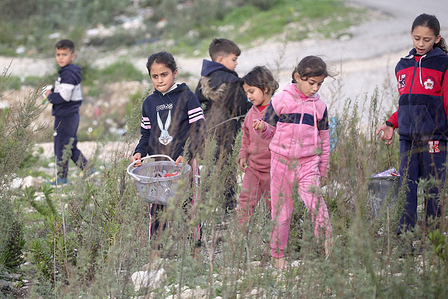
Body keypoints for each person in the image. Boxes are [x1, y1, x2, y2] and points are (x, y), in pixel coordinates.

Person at [254, 56, 333, 269]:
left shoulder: (320, 107)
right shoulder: (281, 100)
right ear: (298, 77)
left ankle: (329, 250)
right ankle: (277, 256)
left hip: (309, 163)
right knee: (281, 211)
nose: (315, 88)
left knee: (316, 205)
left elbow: (325, 140)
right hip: (281, 162)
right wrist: (263, 129)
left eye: (319, 84)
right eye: (311, 83)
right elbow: (270, 130)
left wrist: (323, 168)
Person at [376, 13, 448, 238]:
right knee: (407, 187)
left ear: (436, 39)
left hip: (434, 137)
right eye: (417, 38)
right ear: (411, 35)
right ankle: (405, 237)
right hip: (407, 138)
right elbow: (408, 103)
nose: (420, 43)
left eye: (426, 39)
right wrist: (391, 123)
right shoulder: (402, 65)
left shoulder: (443, 63)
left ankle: (433, 238)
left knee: (432, 188)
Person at [132, 51, 206, 247]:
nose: (159, 80)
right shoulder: (149, 103)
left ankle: (195, 252)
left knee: (189, 207)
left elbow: (199, 129)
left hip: (184, 164)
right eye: (154, 76)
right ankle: (156, 253)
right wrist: (139, 152)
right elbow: (146, 135)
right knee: (157, 208)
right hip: (159, 166)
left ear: (174, 73)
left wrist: (187, 154)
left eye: (164, 74)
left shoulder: (187, 97)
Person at [195, 38, 252, 213]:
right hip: (226, 134)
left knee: (209, 171)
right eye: (234, 59)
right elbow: (241, 108)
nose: (236, 63)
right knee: (227, 171)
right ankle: (227, 210)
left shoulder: (203, 81)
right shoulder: (231, 81)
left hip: (205, 134)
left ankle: (202, 208)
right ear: (221, 60)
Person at [43, 39, 91, 185]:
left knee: (61, 146)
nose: (61, 57)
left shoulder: (69, 74)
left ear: (72, 56)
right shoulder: (67, 72)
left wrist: (49, 95)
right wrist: (53, 90)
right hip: (68, 115)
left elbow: (64, 97)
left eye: (64, 54)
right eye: (58, 54)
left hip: (66, 116)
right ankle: (87, 169)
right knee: (69, 145)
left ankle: (62, 178)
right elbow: (64, 91)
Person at [237, 66, 278, 228]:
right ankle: (240, 234)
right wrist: (243, 154)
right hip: (253, 167)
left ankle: (279, 236)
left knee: (275, 204)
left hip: (273, 170)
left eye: (251, 91)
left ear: (266, 89)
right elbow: (246, 136)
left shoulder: (276, 111)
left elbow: (283, 135)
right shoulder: (250, 113)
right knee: (245, 200)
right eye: (246, 92)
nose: (248, 96)